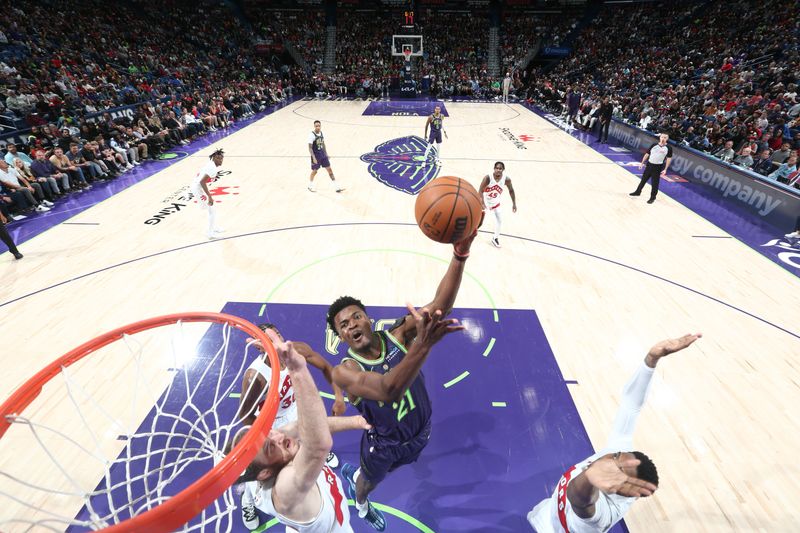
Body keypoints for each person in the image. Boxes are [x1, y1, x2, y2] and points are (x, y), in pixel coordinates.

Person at [326, 230, 477, 531]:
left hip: (421, 432)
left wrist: (459, 256)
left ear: (368, 318)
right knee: (368, 482)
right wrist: (422, 344)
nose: (352, 325)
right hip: (384, 445)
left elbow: (439, 306)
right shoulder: (345, 371)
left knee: (400, 467)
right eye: (343, 325)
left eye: (356, 317)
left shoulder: (398, 334)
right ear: (341, 336)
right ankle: (360, 504)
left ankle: (358, 478)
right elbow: (387, 390)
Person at [527, 333, 702, 532]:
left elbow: (579, 500)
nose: (611, 460)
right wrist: (651, 359)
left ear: (625, 488)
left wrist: (588, 478)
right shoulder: (615, 456)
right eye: (618, 456)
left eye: (618, 469)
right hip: (544, 516)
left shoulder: (603, 513)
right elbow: (631, 405)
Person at [231, 330, 362, 533]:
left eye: (278, 336)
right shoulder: (286, 485)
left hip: (290, 414)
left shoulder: (278, 450)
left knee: (256, 464)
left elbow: (307, 428)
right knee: (252, 468)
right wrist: (261, 432)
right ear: (259, 346)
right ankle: (246, 501)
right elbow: (245, 413)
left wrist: (355, 419)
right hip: (271, 421)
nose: (280, 342)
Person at [479, 161, 517, 248]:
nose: (498, 170)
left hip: (495, 202)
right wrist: (482, 203)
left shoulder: (506, 179)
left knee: (499, 220)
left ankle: (495, 238)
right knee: (479, 219)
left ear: (503, 170)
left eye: (500, 168)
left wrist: (514, 203)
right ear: (494, 169)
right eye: (497, 168)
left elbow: (511, 191)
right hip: (485, 200)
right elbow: (480, 190)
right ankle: (470, 231)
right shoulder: (488, 178)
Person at [191, 148, 225, 239]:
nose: (221, 160)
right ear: (214, 158)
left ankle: (214, 227)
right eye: (219, 158)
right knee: (212, 210)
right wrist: (209, 196)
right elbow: (202, 182)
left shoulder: (211, 164)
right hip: (197, 188)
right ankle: (210, 233)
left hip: (198, 186)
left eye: (222, 158)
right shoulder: (212, 168)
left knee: (212, 210)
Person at [630, 133, 673, 204]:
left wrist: (665, 169)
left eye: (665, 137)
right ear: (660, 137)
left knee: (655, 183)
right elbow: (647, 154)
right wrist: (642, 163)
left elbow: (669, 159)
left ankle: (652, 198)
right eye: (662, 137)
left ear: (667, 139)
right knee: (643, 180)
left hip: (658, 167)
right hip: (649, 165)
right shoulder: (654, 145)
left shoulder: (668, 148)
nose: (663, 139)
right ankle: (638, 192)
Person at [307, 120, 343, 193]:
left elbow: (323, 144)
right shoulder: (311, 135)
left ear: (320, 126)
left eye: (319, 126)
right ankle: (310, 186)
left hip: (322, 154)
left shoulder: (321, 133)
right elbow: (310, 148)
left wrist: (326, 154)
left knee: (329, 170)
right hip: (316, 155)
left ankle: (336, 187)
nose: (318, 127)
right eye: (316, 126)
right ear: (314, 126)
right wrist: (313, 158)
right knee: (315, 171)